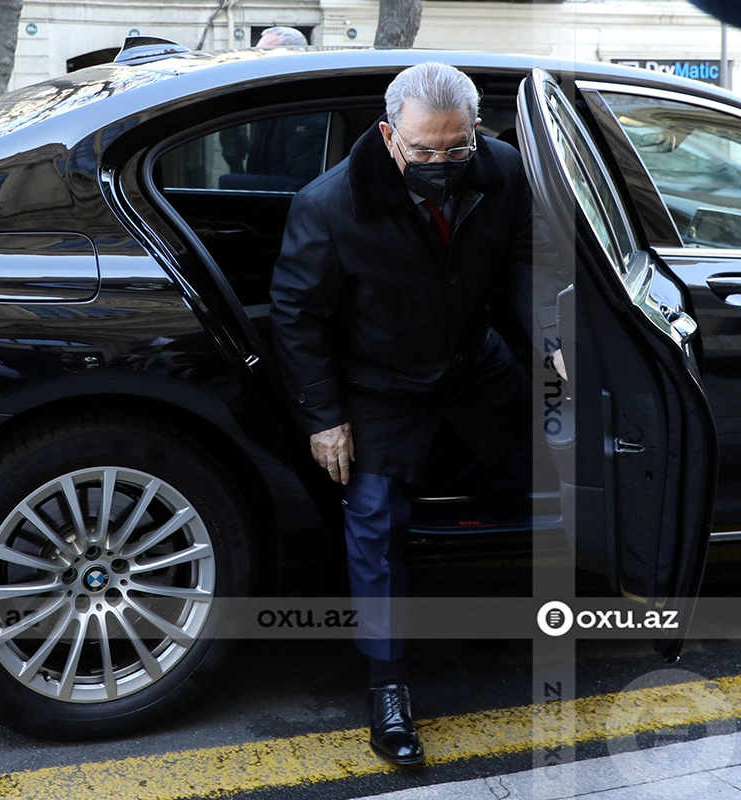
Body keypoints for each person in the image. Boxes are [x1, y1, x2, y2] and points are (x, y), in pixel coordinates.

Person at [269, 62, 539, 766]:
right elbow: (298, 319)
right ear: (390, 135)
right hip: (380, 384)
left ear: (475, 132)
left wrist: (553, 346)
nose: (441, 165)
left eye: (457, 149)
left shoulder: (502, 170)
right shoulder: (328, 205)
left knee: (545, 470)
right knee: (376, 523)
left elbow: (522, 267)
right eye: (424, 151)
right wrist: (324, 417)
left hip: (474, 363)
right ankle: (387, 684)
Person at [219, 27, 328, 190]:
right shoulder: (273, 101)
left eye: (265, 56)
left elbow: (303, 180)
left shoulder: (303, 109)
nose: (259, 64)